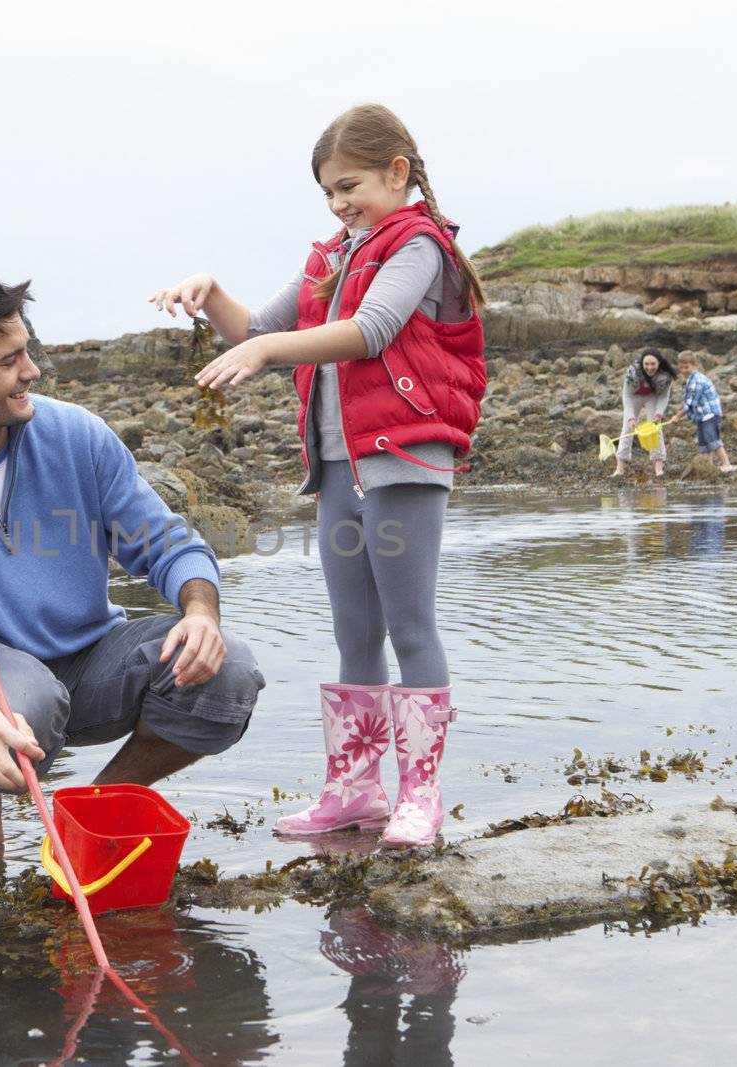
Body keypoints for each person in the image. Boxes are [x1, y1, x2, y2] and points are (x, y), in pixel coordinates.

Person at [146, 103, 487, 848]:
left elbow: (372, 331)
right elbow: (259, 331)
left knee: (409, 625)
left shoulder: (419, 246)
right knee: (353, 632)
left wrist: (270, 356)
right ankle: (354, 790)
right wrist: (212, 293)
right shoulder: (334, 255)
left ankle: (419, 797)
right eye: (328, 192)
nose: (338, 203)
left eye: (349, 185)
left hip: (403, 461)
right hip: (338, 464)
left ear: (398, 172)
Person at [0, 264, 265, 853]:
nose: (33, 371)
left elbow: (168, 543)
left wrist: (201, 613)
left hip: (92, 655)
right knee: (28, 703)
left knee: (227, 674)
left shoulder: (77, 435)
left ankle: (89, 816)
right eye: (9, 361)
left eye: (27, 351)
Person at [667, 351, 734, 473]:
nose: (684, 370)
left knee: (712, 439)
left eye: (687, 367)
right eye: (681, 368)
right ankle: (708, 466)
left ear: (694, 365)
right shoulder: (690, 379)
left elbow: (691, 403)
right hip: (702, 416)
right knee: (704, 443)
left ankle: (726, 463)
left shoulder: (697, 380)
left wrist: (677, 416)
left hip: (710, 414)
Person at [614, 346, 676, 477]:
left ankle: (658, 469)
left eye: (653, 364)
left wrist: (659, 414)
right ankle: (620, 468)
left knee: (655, 428)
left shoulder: (665, 375)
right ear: (642, 364)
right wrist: (631, 418)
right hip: (634, 396)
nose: (649, 367)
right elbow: (627, 396)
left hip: (652, 397)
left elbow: (663, 396)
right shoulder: (632, 372)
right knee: (627, 428)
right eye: (646, 364)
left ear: (659, 363)